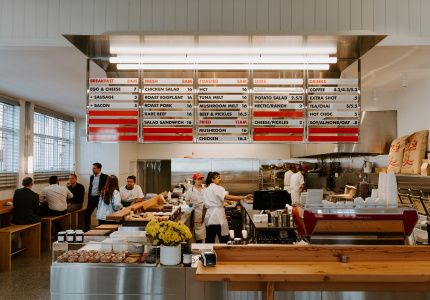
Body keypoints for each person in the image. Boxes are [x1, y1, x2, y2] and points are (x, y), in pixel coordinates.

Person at [202, 172, 252, 244]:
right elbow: (228, 197)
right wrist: (244, 197)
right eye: (218, 178)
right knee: (224, 240)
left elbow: (206, 205)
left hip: (209, 218)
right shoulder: (217, 188)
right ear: (212, 179)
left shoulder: (206, 189)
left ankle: (208, 254)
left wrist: (203, 217)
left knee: (209, 241)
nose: (220, 179)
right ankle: (225, 254)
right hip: (218, 217)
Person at [85, 162, 108, 231]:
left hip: (100, 198)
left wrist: (103, 191)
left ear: (99, 169)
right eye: (92, 168)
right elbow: (90, 187)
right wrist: (89, 197)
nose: (92, 169)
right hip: (92, 198)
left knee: (100, 215)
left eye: (94, 168)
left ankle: (100, 230)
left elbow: (107, 187)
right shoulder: (91, 177)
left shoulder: (105, 176)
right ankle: (87, 230)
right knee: (86, 215)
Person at [184, 172, 206, 243]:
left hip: (206, 213)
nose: (200, 180)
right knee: (199, 234)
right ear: (194, 180)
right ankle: (198, 249)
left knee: (207, 234)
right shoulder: (190, 190)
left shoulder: (204, 189)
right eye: (198, 179)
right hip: (197, 214)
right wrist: (191, 206)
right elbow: (187, 201)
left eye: (201, 179)